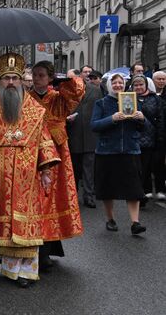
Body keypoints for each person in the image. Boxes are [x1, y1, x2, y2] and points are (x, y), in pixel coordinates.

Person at [0, 53, 60, 288]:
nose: (12, 82)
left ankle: (25, 271)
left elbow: (44, 140)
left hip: (28, 177)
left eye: (16, 78)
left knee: (27, 222)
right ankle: (2, 259)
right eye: (7, 79)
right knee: (1, 222)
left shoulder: (36, 110)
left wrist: (46, 171)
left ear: (22, 80)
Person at [30, 61, 84, 268]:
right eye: (34, 75)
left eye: (42, 75)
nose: (37, 79)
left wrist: (63, 80)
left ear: (50, 78)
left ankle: (49, 247)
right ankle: (36, 249)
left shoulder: (58, 98)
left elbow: (77, 91)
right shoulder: (27, 98)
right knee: (37, 200)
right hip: (33, 152)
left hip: (57, 152)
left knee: (53, 198)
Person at [91, 73, 147, 235]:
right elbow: (94, 125)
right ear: (109, 85)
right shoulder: (101, 103)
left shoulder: (134, 100)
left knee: (134, 189)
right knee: (108, 188)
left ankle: (135, 223)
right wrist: (112, 118)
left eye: (120, 82)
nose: (117, 85)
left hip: (130, 150)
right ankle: (110, 219)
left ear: (124, 85)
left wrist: (142, 118)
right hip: (107, 151)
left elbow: (144, 128)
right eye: (114, 83)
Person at [67, 67, 103, 209]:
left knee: (89, 168)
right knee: (74, 168)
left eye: (73, 77)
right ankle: (72, 196)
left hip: (90, 134)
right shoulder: (65, 91)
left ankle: (89, 196)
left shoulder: (95, 90)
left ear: (80, 77)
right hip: (72, 133)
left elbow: (100, 109)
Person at [130, 75, 165, 201]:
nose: (138, 87)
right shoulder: (127, 98)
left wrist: (160, 138)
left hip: (150, 138)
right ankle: (140, 192)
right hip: (133, 138)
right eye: (136, 85)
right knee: (136, 169)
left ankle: (146, 191)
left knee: (147, 166)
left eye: (141, 85)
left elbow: (161, 119)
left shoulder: (155, 99)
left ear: (146, 85)